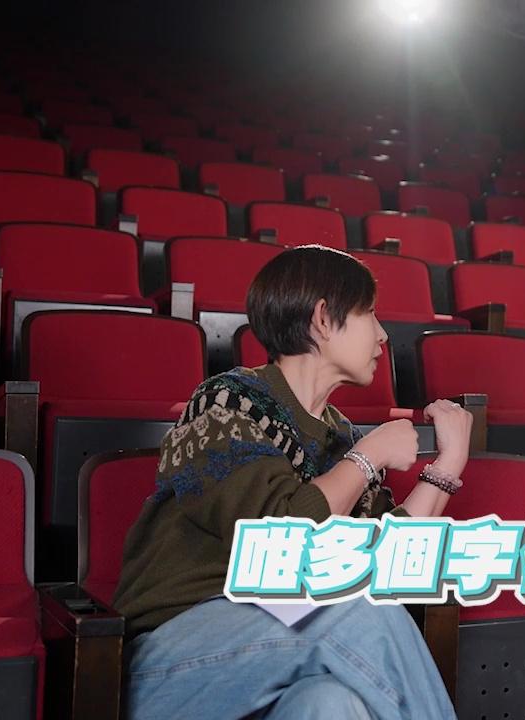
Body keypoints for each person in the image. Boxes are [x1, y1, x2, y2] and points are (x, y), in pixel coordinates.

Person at [115, 246, 465, 719]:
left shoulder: (341, 439)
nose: (383, 335)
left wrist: (448, 465)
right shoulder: (224, 403)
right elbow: (285, 533)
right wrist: (370, 456)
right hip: (175, 658)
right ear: (322, 319)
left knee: (331, 703)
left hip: (281, 654)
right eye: (369, 313)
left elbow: (389, 564)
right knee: (357, 612)